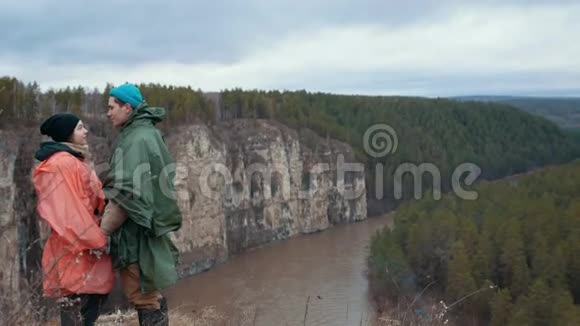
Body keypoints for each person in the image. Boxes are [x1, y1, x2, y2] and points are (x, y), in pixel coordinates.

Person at [99, 83, 182, 326]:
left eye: (112, 107)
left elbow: (126, 195)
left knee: (143, 296)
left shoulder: (135, 140)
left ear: (128, 107)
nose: (108, 112)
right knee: (151, 292)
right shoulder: (148, 133)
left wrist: (102, 233)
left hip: (135, 237)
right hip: (147, 229)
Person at [33, 113, 115, 326]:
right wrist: (99, 241)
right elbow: (69, 214)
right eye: (79, 128)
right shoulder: (61, 165)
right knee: (77, 307)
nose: (85, 131)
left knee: (82, 306)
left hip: (80, 245)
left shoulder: (71, 161)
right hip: (75, 247)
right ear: (66, 134)